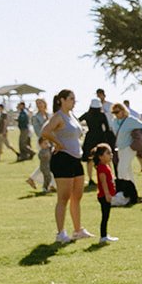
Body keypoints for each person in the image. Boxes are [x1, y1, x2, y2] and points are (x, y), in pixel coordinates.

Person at [38, 89, 90, 243]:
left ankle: (78, 229)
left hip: (76, 158)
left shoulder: (72, 115)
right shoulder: (58, 116)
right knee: (64, 197)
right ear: (62, 100)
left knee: (77, 195)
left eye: (74, 99)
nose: (74, 101)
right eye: (71, 99)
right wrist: (58, 144)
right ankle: (60, 233)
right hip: (63, 159)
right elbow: (45, 131)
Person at [109, 100, 142, 202]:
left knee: (121, 169)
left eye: (117, 112)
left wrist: (136, 139)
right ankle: (133, 193)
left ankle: (123, 191)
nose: (116, 114)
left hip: (129, 148)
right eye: (114, 112)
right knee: (127, 170)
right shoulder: (114, 121)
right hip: (120, 148)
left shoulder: (130, 120)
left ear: (123, 111)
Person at [81, 94, 112, 188]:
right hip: (100, 137)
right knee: (105, 157)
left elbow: (77, 120)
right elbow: (106, 128)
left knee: (89, 159)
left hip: (90, 137)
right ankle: (110, 176)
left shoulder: (87, 114)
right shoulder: (102, 115)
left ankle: (90, 179)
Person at [89, 143, 117, 244]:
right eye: (108, 153)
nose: (111, 155)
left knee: (106, 216)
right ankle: (103, 236)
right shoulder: (101, 168)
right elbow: (103, 182)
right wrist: (107, 194)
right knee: (105, 216)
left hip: (106, 195)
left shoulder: (105, 166)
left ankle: (105, 234)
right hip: (104, 196)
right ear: (101, 156)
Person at [25, 98, 54, 193]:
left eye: (40, 103)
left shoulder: (49, 114)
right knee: (46, 163)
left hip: (51, 140)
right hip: (42, 142)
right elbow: (38, 132)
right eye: (37, 103)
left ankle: (49, 184)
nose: (39, 105)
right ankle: (48, 184)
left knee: (49, 163)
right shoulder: (35, 117)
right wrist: (45, 141)